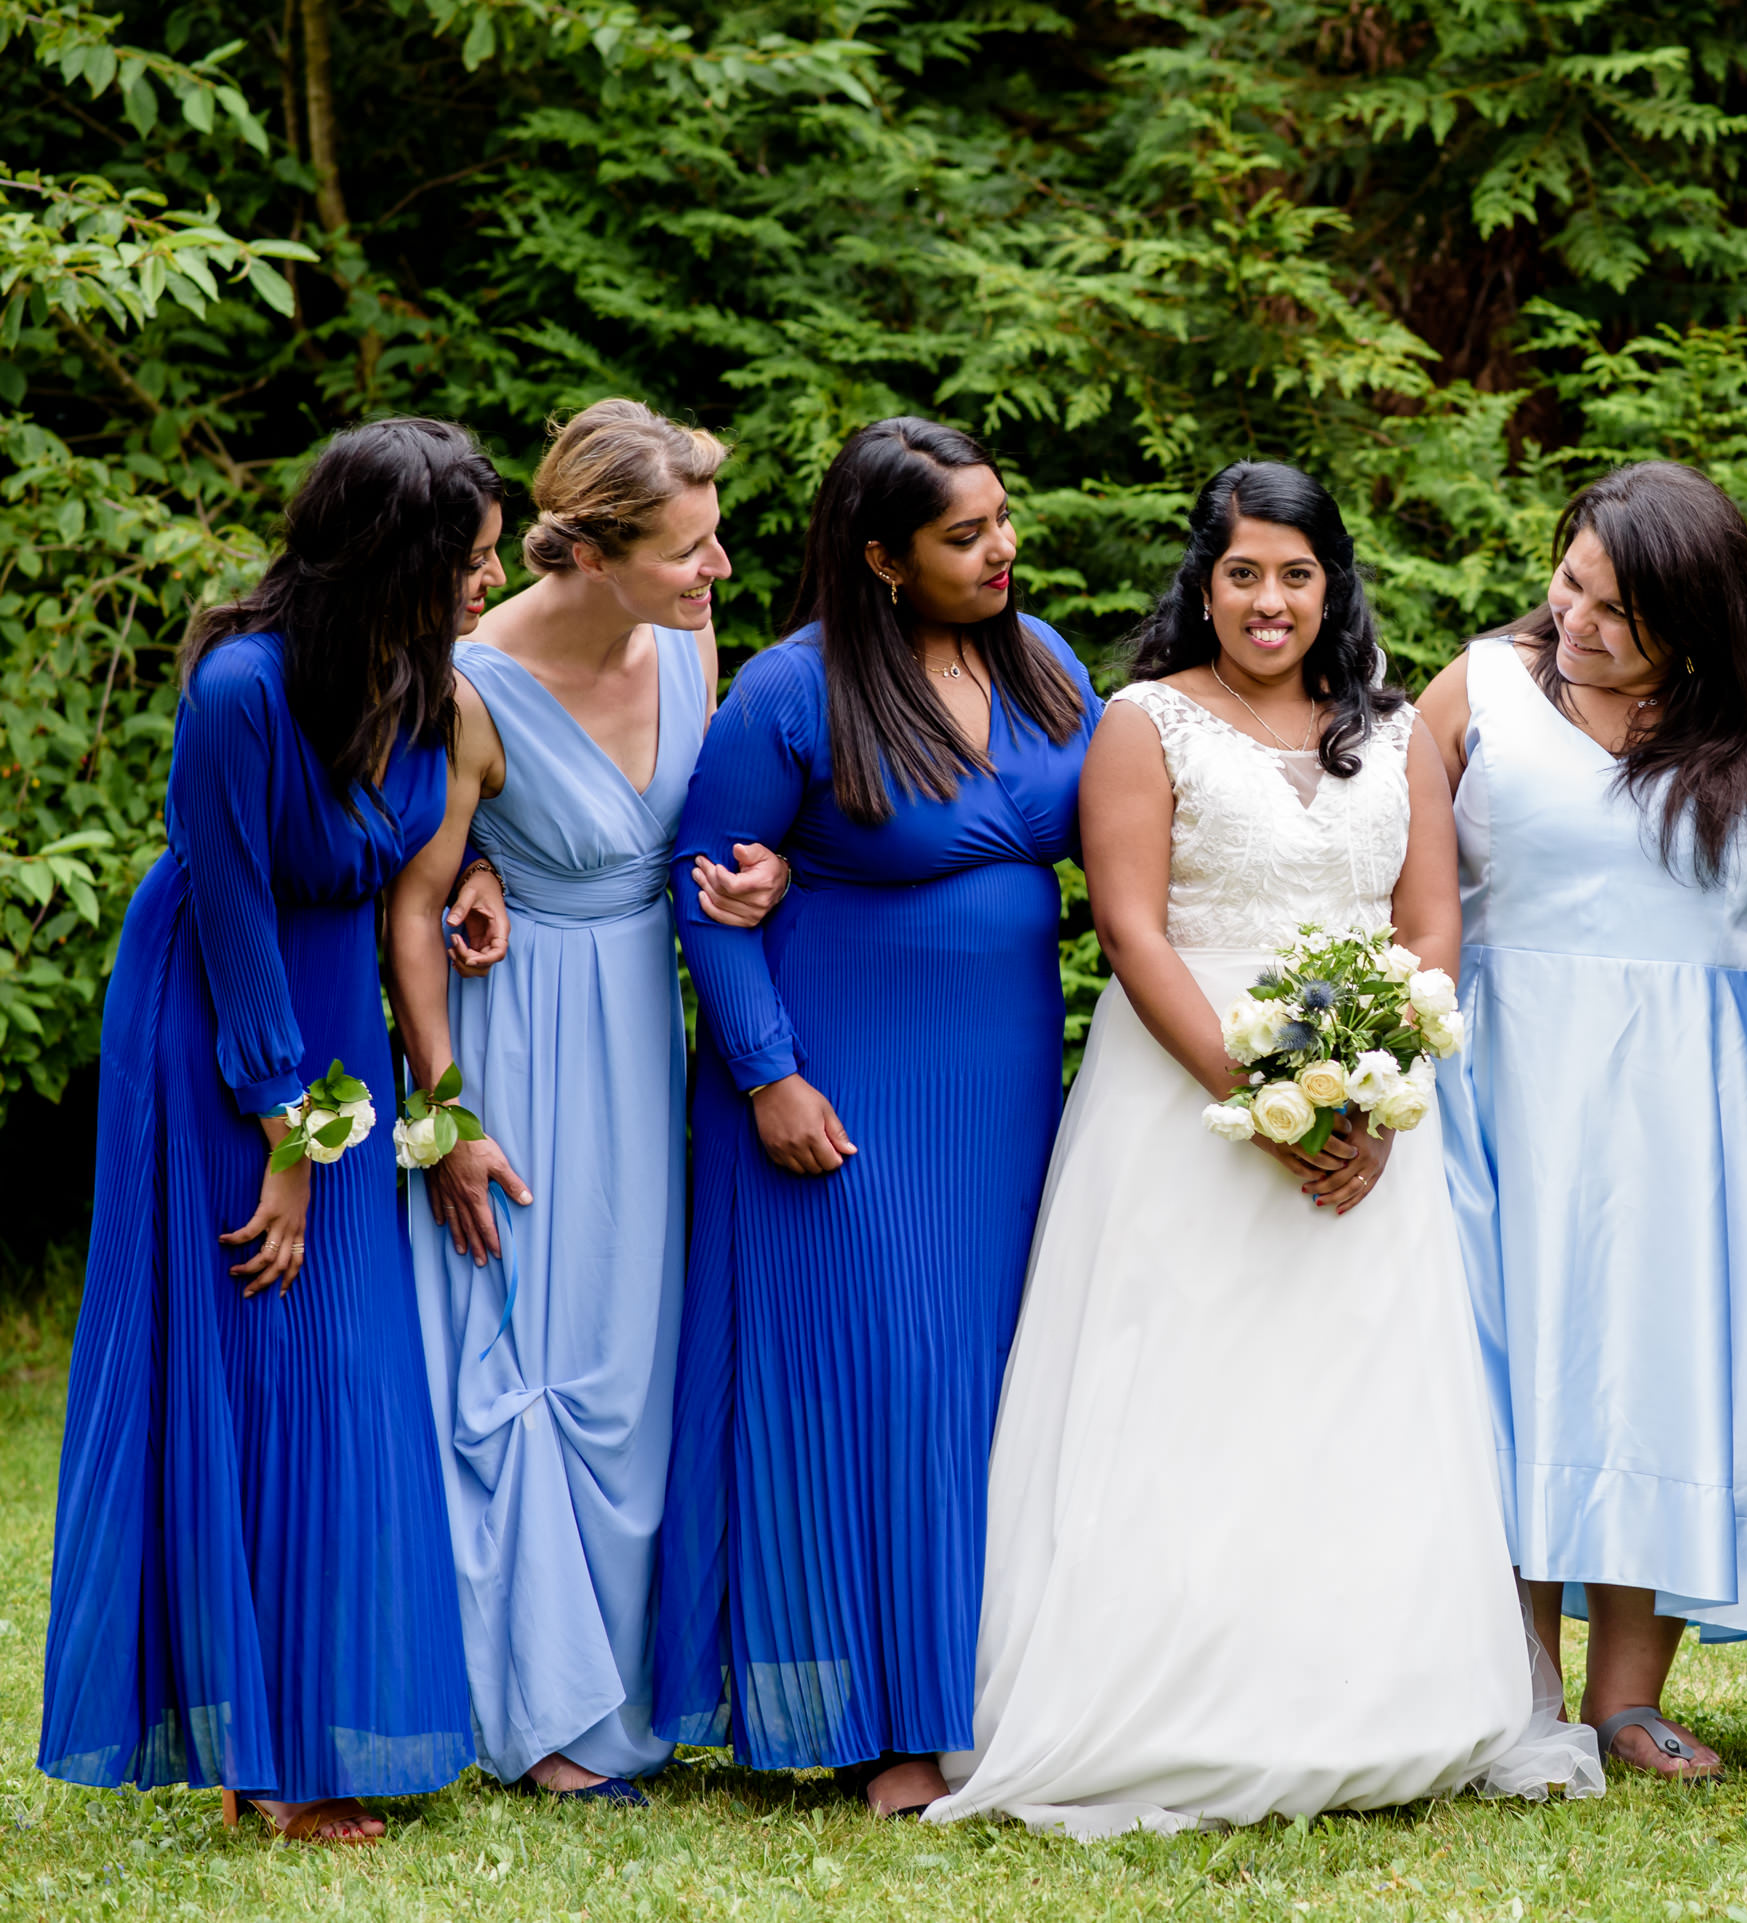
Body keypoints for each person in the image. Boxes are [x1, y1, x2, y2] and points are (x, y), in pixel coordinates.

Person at [927, 461, 1602, 1835]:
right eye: (1244, 573)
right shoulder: (1145, 724)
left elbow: (1430, 930)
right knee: (1184, 1391)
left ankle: (1375, 1692)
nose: (1270, 600)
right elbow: (1131, 933)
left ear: (1331, 584)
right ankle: (1165, 1696)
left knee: (1352, 1403)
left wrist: (1365, 1098)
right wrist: (1262, 1095)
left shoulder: (1397, 728)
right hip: (1181, 1105)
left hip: (1365, 1122)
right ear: (1206, 581)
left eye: (1297, 573)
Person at [39, 419, 499, 1842]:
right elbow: (235, 922)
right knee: (260, 1351)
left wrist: (468, 874)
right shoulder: (242, 691)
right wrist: (289, 1148)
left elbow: (395, 848)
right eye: (473, 560)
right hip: (221, 1032)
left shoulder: (417, 680)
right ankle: (271, 1754)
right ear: (398, 561)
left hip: (336, 1021)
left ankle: (304, 1715)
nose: (490, 582)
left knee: (346, 1367)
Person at [649, 418, 1098, 1817]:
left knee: (986, 1383)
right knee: (880, 1381)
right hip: (840, 1078)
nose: (1000, 551)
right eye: (965, 537)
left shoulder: (1048, 667)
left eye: (1002, 521)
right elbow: (704, 882)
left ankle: (978, 1691)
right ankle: (883, 1719)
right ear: (883, 560)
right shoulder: (795, 691)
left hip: (1007, 1085)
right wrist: (768, 1071)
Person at [1419, 461, 1747, 1780]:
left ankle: (1626, 1700)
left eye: (1616, 612)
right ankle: (1518, 1687)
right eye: (1570, 581)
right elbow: (1392, 880)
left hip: (1695, 1102)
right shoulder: (1474, 696)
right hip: (1510, 1079)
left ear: (1694, 624)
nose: (1575, 620)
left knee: (1658, 1358)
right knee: (1512, 1361)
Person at [385, 399, 731, 1805]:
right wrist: (448, 1118)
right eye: (687, 551)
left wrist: (747, 878)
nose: (716, 573)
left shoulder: (697, 644)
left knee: (624, 1360)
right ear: (586, 551)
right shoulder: (465, 683)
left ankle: (623, 1687)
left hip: (642, 1028)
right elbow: (414, 904)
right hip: (511, 1034)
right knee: (513, 1353)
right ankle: (541, 1720)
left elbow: (711, 830)